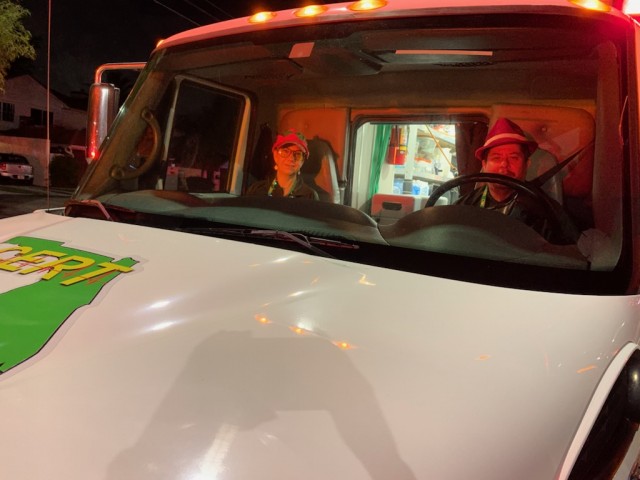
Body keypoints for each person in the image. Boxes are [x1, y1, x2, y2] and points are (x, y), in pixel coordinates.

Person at [456, 117, 555, 239]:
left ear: (527, 164)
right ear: (484, 165)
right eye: (496, 158)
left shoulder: (547, 212)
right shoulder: (464, 206)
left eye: (513, 158)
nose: (504, 164)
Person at [247, 130, 319, 199]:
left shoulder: (309, 196)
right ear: (275, 155)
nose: (291, 158)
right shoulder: (256, 191)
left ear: (302, 161)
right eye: (285, 151)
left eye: (297, 154)